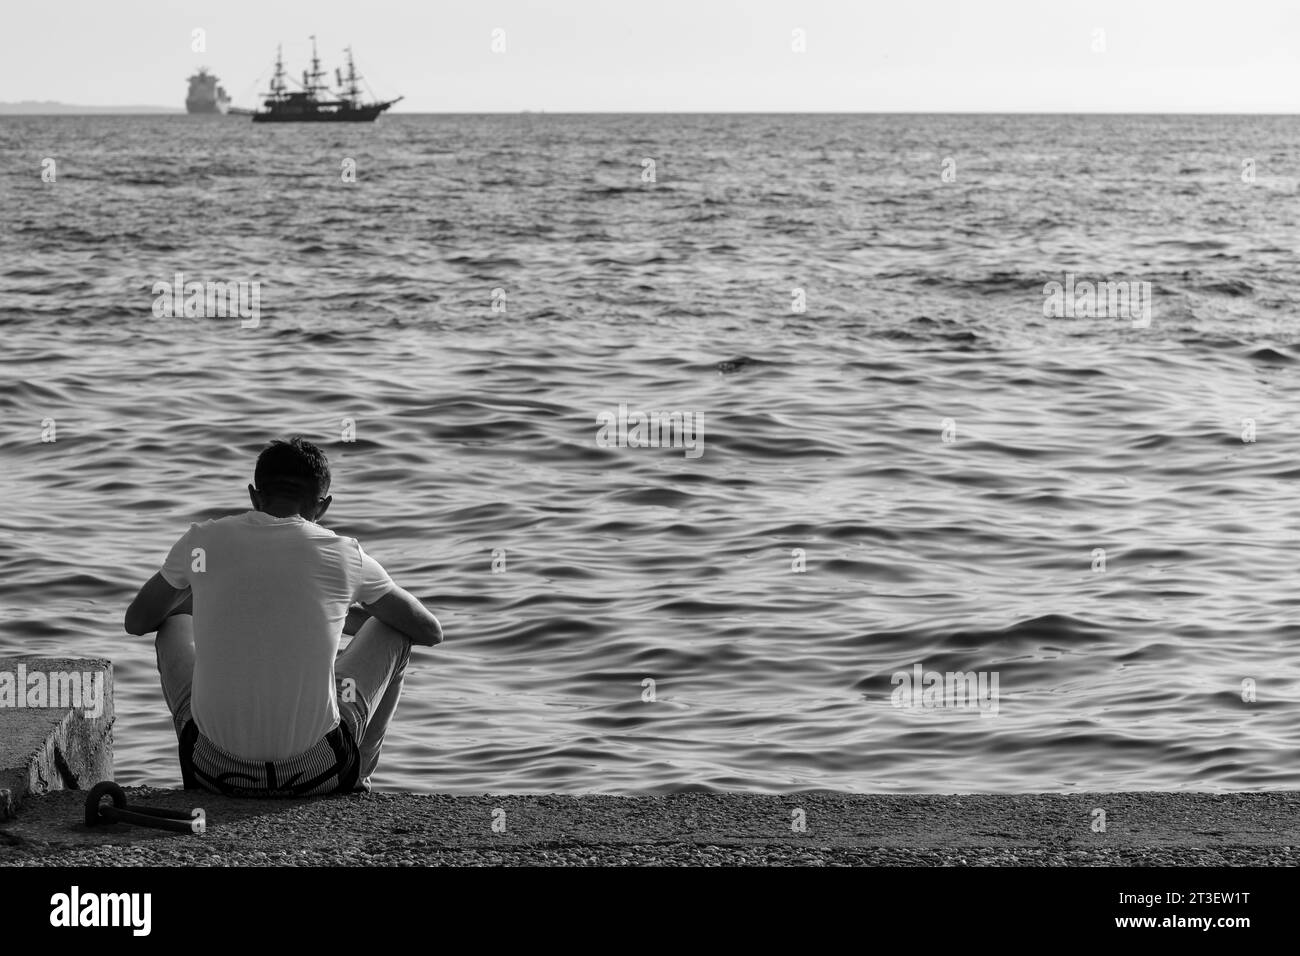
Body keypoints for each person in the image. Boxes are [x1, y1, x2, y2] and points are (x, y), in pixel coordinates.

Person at [124, 436, 443, 796]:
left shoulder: (202, 540)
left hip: (211, 772)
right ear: (323, 506)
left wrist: (222, 600)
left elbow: (137, 622)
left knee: (172, 622)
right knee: (395, 633)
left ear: (254, 496)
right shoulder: (344, 554)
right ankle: (358, 778)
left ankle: (217, 749)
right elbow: (428, 630)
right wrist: (342, 613)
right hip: (318, 773)